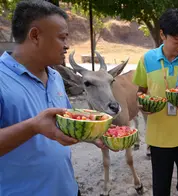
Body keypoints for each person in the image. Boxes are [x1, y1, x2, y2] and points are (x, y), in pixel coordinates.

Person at [0, 1, 107, 195]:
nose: (67, 46)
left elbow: (64, 123)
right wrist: (32, 126)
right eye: (62, 38)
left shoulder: (56, 76)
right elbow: (38, 126)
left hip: (67, 189)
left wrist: (96, 134)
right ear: (35, 36)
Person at [132, 8, 178, 196]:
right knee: (160, 187)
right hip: (159, 137)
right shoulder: (147, 60)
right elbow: (140, 91)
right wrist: (143, 104)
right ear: (162, 35)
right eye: (176, 41)